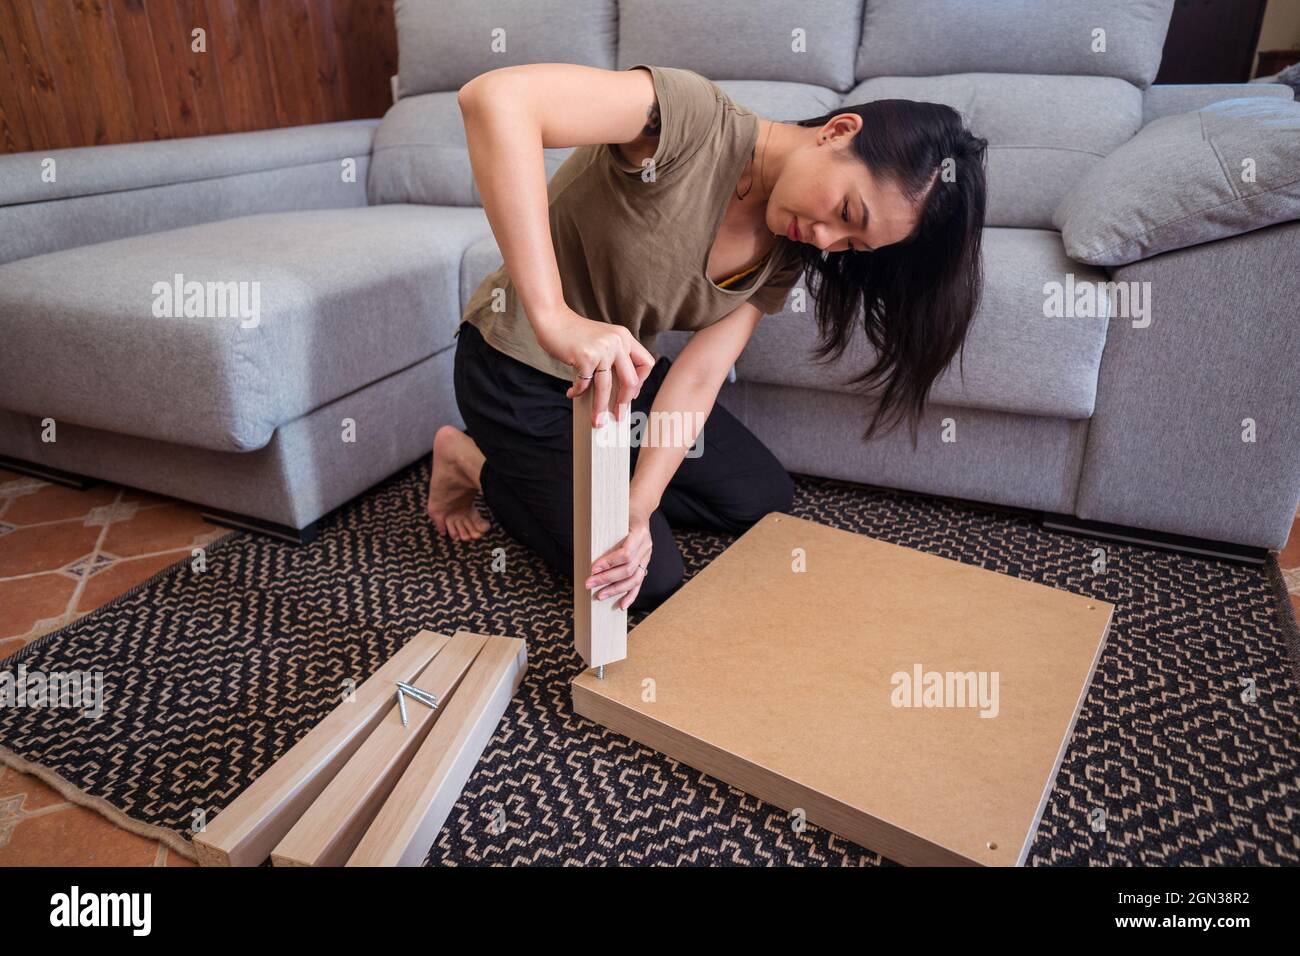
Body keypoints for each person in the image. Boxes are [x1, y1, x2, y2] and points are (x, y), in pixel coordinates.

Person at [426, 63, 988, 613]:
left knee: (760, 497)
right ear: (839, 132)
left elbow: (698, 374)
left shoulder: (787, 247)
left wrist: (638, 508)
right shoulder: (690, 120)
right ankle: (471, 462)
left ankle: (595, 481)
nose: (825, 239)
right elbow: (495, 99)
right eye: (845, 211)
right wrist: (554, 317)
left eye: (851, 245)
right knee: (648, 582)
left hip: (617, 380)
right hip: (516, 370)